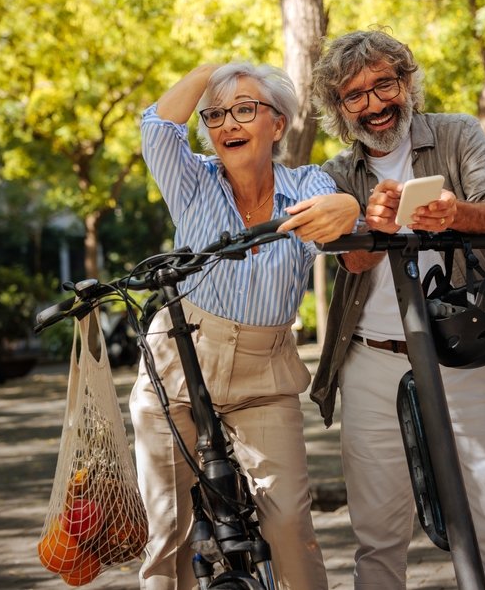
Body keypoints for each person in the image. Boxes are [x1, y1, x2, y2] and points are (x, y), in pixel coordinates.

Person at [309, 29, 485, 589]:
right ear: (338, 108)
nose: (373, 104)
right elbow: (346, 264)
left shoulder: (457, 133)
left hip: (462, 352)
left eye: (384, 84)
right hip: (371, 363)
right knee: (377, 537)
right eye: (354, 95)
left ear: (406, 82)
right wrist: (370, 227)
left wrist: (456, 213)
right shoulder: (335, 173)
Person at [130, 61, 360, 589]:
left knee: (288, 525)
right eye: (215, 115)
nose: (227, 124)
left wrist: (347, 206)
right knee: (167, 533)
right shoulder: (191, 179)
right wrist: (215, 70)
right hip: (179, 369)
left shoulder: (307, 184)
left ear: (277, 124)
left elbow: (338, 224)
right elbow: (158, 127)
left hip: (265, 377)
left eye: (245, 110)